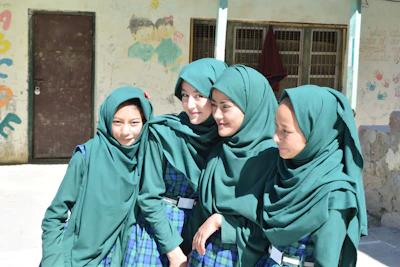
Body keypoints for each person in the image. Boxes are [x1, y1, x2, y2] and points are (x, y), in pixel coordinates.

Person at [123, 58, 228, 267]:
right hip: (158, 231)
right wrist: (173, 251)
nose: (190, 105)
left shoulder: (225, 139)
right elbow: (148, 197)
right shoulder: (163, 133)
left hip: (203, 233)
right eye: (185, 95)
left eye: (199, 95)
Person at [40, 86, 153, 267]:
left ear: (145, 122)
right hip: (79, 257)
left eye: (134, 123)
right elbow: (55, 214)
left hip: (126, 257)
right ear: (107, 120)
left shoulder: (148, 159)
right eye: (117, 122)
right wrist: (53, 260)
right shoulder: (86, 156)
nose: (125, 132)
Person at [256, 85, 367, 266]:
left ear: (317, 133)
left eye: (286, 131)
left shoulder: (335, 195)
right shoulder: (283, 172)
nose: (275, 138)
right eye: (276, 127)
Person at [187, 65, 279, 267]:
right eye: (214, 105)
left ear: (251, 105)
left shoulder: (273, 159)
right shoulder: (219, 152)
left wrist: (222, 222)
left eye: (225, 106)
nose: (217, 115)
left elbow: (275, 229)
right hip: (201, 258)